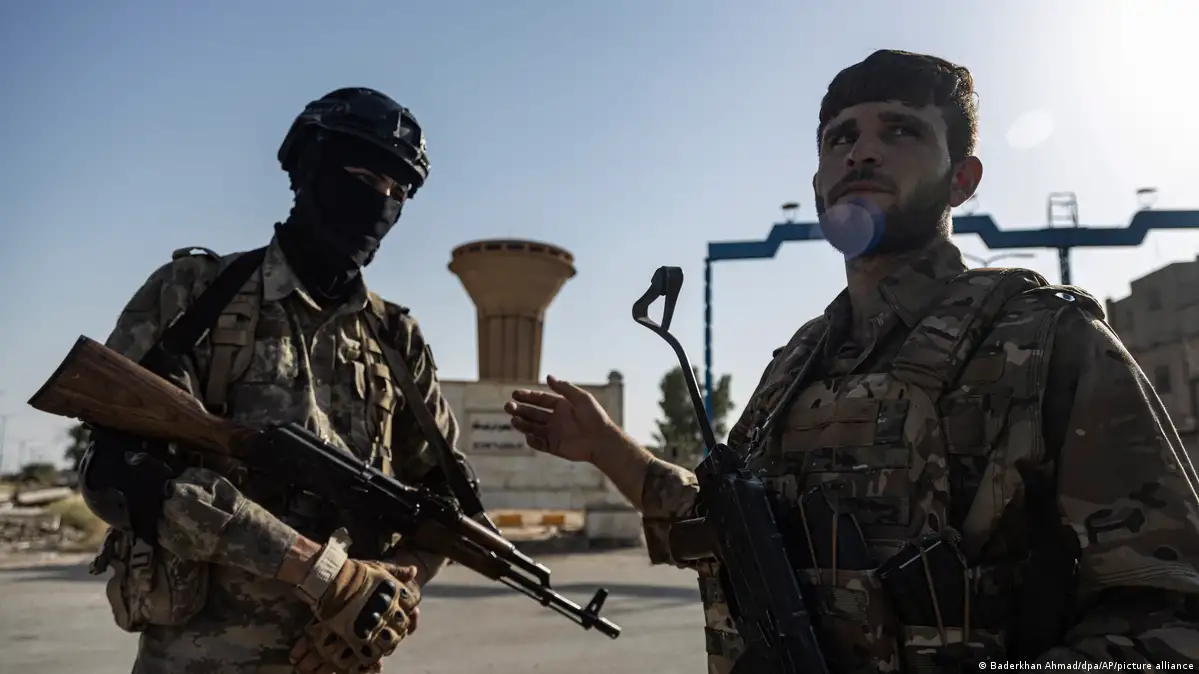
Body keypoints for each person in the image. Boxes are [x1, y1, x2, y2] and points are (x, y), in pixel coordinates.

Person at [505, 50, 1199, 671]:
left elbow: (1172, 618)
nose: (861, 153)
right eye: (840, 138)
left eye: (900, 131)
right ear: (818, 184)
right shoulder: (795, 366)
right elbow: (734, 529)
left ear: (960, 179)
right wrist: (607, 448)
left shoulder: (1049, 341)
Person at [77, 87, 473, 674]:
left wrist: (385, 596)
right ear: (309, 168)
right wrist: (316, 570)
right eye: (366, 178)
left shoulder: (397, 338)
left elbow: (445, 505)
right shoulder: (196, 295)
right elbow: (115, 471)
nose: (382, 204)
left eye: (399, 193)